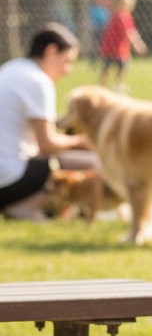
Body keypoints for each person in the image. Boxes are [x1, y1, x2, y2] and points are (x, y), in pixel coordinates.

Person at [0, 23, 99, 221]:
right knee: (97, 164)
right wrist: (84, 142)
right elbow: (47, 145)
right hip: (10, 178)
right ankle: (28, 207)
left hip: (5, 176)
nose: (68, 70)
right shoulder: (38, 81)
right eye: (67, 61)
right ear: (51, 51)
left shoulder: (11, 68)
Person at [98, 0, 147, 92]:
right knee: (122, 67)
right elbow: (130, 33)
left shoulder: (114, 16)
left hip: (113, 49)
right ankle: (116, 84)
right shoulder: (123, 17)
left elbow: (129, 32)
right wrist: (138, 45)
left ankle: (105, 85)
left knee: (109, 68)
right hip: (118, 50)